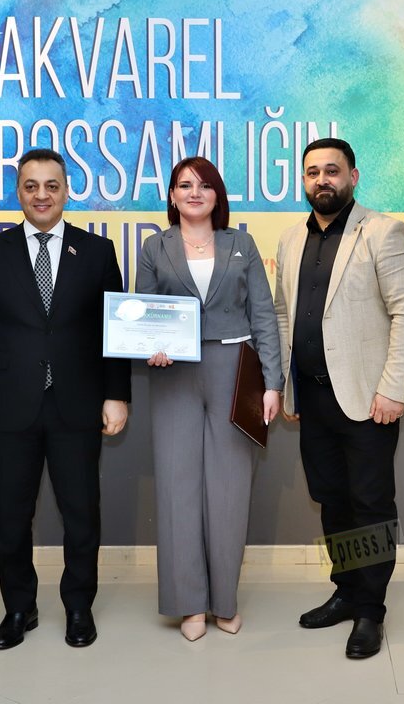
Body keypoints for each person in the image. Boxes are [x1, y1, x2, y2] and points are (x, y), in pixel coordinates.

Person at [0, 148, 131, 650]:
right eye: (31, 186)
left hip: (77, 403)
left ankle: (78, 607)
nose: (41, 195)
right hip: (8, 406)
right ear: (18, 192)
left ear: (66, 191)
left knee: (82, 513)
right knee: (12, 516)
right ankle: (19, 608)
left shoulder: (96, 252)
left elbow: (114, 333)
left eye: (51, 185)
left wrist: (117, 395)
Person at [274, 138, 404, 659]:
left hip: (368, 400)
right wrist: (287, 384)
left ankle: (370, 610)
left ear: (353, 177)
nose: (322, 180)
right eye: (313, 171)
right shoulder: (291, 239)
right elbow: (282, 314)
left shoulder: (382, 231)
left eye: (332, 171)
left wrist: (393, 389)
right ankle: (346, 590)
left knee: (370, 504)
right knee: (332, 500)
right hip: (313, 400)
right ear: (303, 180)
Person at [136, 156, 283, 642]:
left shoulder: (241, 244)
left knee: (229, 490)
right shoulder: (154, 247)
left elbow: (263, 315)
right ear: (172, 196)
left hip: (234, 371)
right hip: (174, 374)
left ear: (217, 195)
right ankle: (189, 604)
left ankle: (225, 602)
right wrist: (150, 345)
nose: (194, 192)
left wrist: (273, 383)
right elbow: (144, 312)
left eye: (204, 185)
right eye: (184, 185)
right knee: (177, 488)